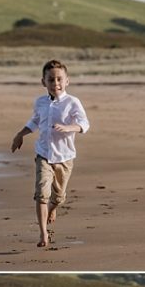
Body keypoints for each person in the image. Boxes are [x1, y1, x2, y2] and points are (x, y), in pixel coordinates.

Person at [11, 59, 90, 248]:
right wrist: (20, 134)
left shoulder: (72, 102)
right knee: (41, 194)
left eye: (59, 79)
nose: (56, 84)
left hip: (65, 156)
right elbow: (35, 121)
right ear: (43, 82)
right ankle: (43, 234)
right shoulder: (40, 102)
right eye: (51, 80)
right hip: (43, 154)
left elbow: (85, 124)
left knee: (59, 197)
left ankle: (54, 208)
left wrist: (68, 127)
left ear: (67, 81)